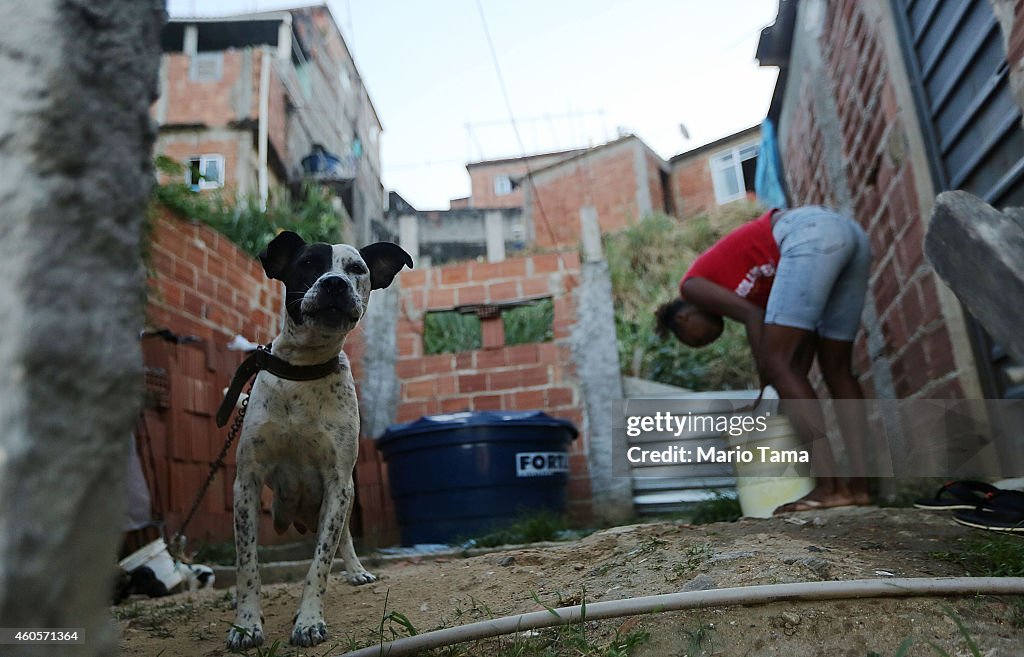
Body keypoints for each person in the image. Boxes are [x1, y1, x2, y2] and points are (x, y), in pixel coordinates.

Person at [655, 206, 872, 513]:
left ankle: (829, 487)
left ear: (685, 317)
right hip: (847, 234)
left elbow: (753, 318)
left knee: (778, 365)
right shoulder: (763, 290)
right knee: (837, 369)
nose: (708, 341)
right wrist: (783, 380)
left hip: (806, 232)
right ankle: (860, 489)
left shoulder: (691, 286)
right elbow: (800, 340)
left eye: (699, 339)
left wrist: (768, 385)